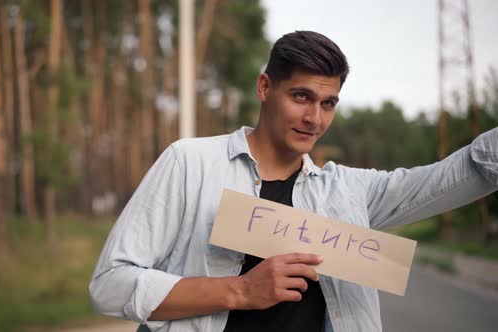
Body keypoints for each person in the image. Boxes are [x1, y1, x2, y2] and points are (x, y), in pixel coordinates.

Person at [89, 31, 498, 332]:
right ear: (265, 86)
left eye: (328, 104)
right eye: (301, 97)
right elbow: (110, 285)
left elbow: (463, 173)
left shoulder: (350, 194)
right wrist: (241, 290)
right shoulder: (189, 162)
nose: (314, 118)